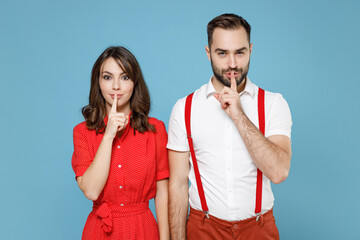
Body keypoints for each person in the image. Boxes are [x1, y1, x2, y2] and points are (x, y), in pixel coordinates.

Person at [168, 13, 292, 240]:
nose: (232, 64)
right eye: (222, 53)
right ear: (208, 53)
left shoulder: (274, 104)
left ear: (251, 50)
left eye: (240, 52)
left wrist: (238, 114)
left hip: (258, 230)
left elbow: (278, 172)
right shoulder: (184, 108)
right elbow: (177, 185)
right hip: (203, 229)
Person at [71, 46, 169, 240]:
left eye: (124, 77)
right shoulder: (82, 132)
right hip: (100, 231)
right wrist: (108, 135)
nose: (116, 86)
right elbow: (91, 190)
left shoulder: (155, 130)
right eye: (107, 77)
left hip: (143, 229)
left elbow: (163, 193)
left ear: (135, 83)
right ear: (97, 83)